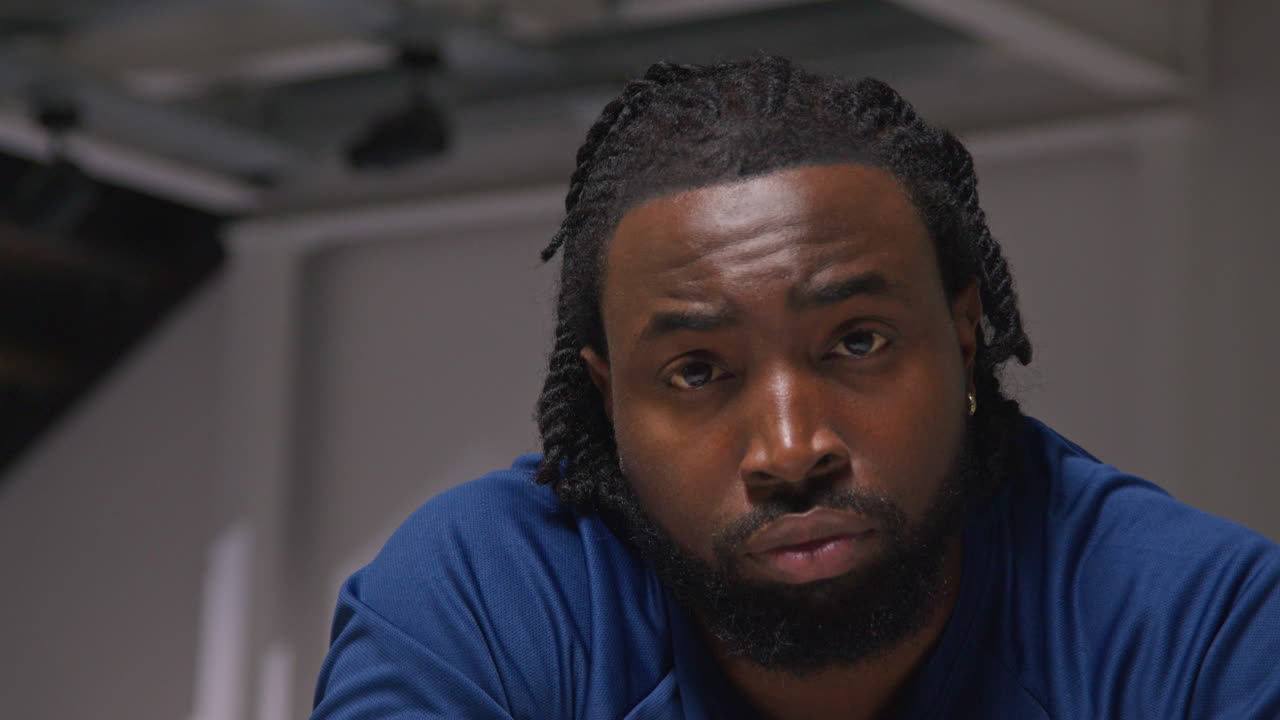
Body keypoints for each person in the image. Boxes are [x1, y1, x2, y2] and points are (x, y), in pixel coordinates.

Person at [310, 57, 1280, 719]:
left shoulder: (1195, 625)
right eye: (696, 371)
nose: (789, 450)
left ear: (961, 331)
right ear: (607, 404)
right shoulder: (478, 602)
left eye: (855, 342)